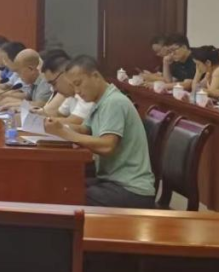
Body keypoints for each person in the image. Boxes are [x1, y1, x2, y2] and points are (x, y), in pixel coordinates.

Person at [45, 55, 155, 208]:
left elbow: (107, 146)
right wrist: (57, 127)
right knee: (64, 185)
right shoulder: (100, 101)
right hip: (111, 181)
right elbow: (85, 129)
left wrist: (65, 133)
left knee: (67, 195)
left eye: (78, 84)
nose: (77, 91)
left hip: (131, 189)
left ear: (95, 76)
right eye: (73, 86)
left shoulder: (114, 102)